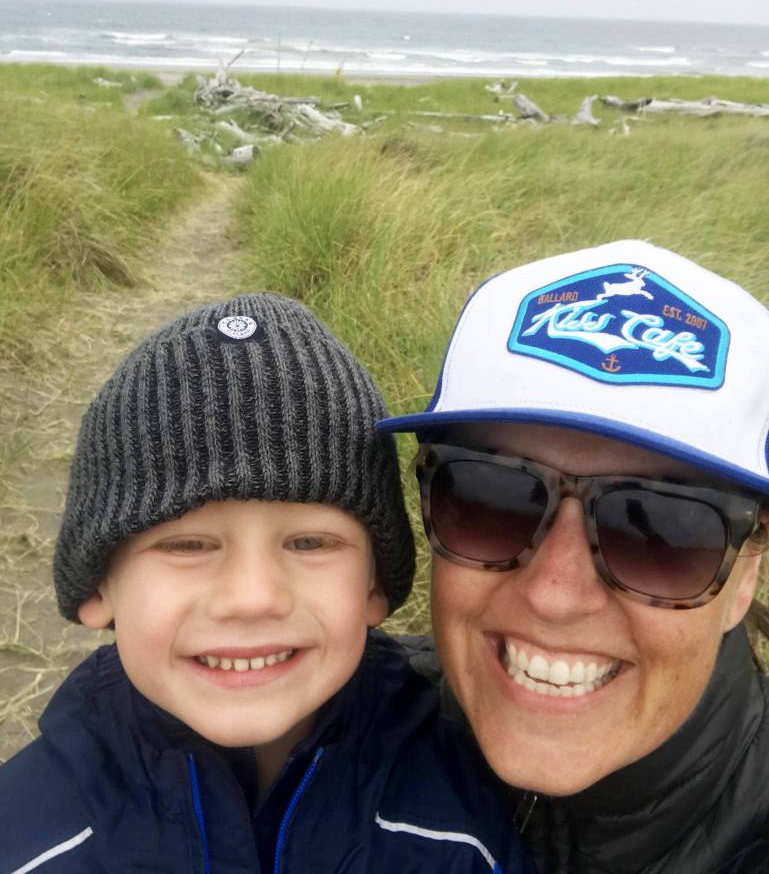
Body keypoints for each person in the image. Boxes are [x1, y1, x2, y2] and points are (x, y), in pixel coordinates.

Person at [0, 295, 533, 874]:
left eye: (309, 543)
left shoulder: (469, 811)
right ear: (98, 588)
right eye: (187, 545)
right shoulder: (29, 837)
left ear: (374, 585)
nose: (253, 597)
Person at [380, 241, 769, 874]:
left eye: (661, 531)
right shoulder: (338, 734)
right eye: (490, 496)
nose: (554, 595)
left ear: (746, 573)